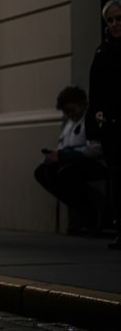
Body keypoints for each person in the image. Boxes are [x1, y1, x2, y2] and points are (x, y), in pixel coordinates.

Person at [34, 85, 107, 234]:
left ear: (82, 104)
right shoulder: (69, 123)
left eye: (72, 110)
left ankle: (91, 210)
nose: (70, 114)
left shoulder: (90, 119)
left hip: (94, 163)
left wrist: (64, 155)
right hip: (72, 161)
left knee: (66, 173)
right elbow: (63, 145)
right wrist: (54, 154)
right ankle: (79, 208)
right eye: (67, 112)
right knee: (43, 172)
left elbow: (95, 149)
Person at [87, 0, 121, 249]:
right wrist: (97, 117)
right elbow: (95, 89)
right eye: (110, 20)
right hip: (112, 124)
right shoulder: (102, 51)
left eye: (118, 18)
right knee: (117, 176)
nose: (115, 24)